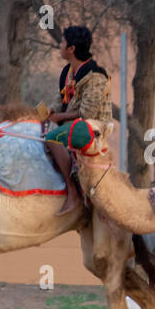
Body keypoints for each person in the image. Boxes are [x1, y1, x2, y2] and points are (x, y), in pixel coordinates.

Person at [45, 25, 111, 214]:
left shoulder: (96, 77)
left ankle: (72, 192)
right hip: (71, 124)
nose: (60, 45)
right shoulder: (68, 72)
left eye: (63, 42)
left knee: (52, 138)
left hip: (93, 128)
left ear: (71, 49)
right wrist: (49, 112)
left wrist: (59, 117)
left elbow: (88, 112)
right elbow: (61, 101)